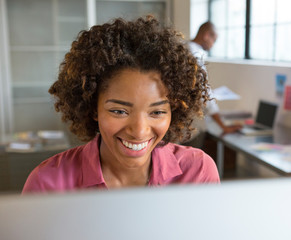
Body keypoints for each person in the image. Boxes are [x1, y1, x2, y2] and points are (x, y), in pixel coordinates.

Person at [22, 16, 220, 193]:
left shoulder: (197, 173)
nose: (139, 131)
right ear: (93, 108)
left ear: (174, 110)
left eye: (157, 112)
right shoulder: (48, 184)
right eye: (119, 111)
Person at [185, 21, 242, 147]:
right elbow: (203, 93)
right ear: (206, 35)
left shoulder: (186, 48)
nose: (213, 44)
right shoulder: (194, 55)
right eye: (214, 40)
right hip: (191, 126)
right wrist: (223, 125)